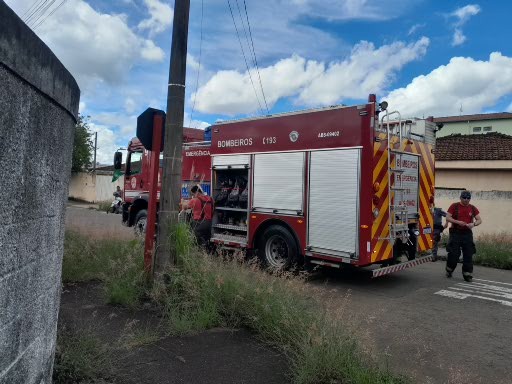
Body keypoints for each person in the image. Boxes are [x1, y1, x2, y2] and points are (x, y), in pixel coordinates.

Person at [445, 191, 482, 282]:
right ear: (460, 198)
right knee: (454, 254)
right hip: (455, 233)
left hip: (467, 234)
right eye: (464, 198)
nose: (466, 200)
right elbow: (448, 217)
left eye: (468, 198)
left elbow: (479, 220)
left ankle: (467, 274)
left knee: (468, 254)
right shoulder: (454, 206)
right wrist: (458, 222)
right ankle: (449, 269)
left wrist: (473, 224)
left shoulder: (472, 208)